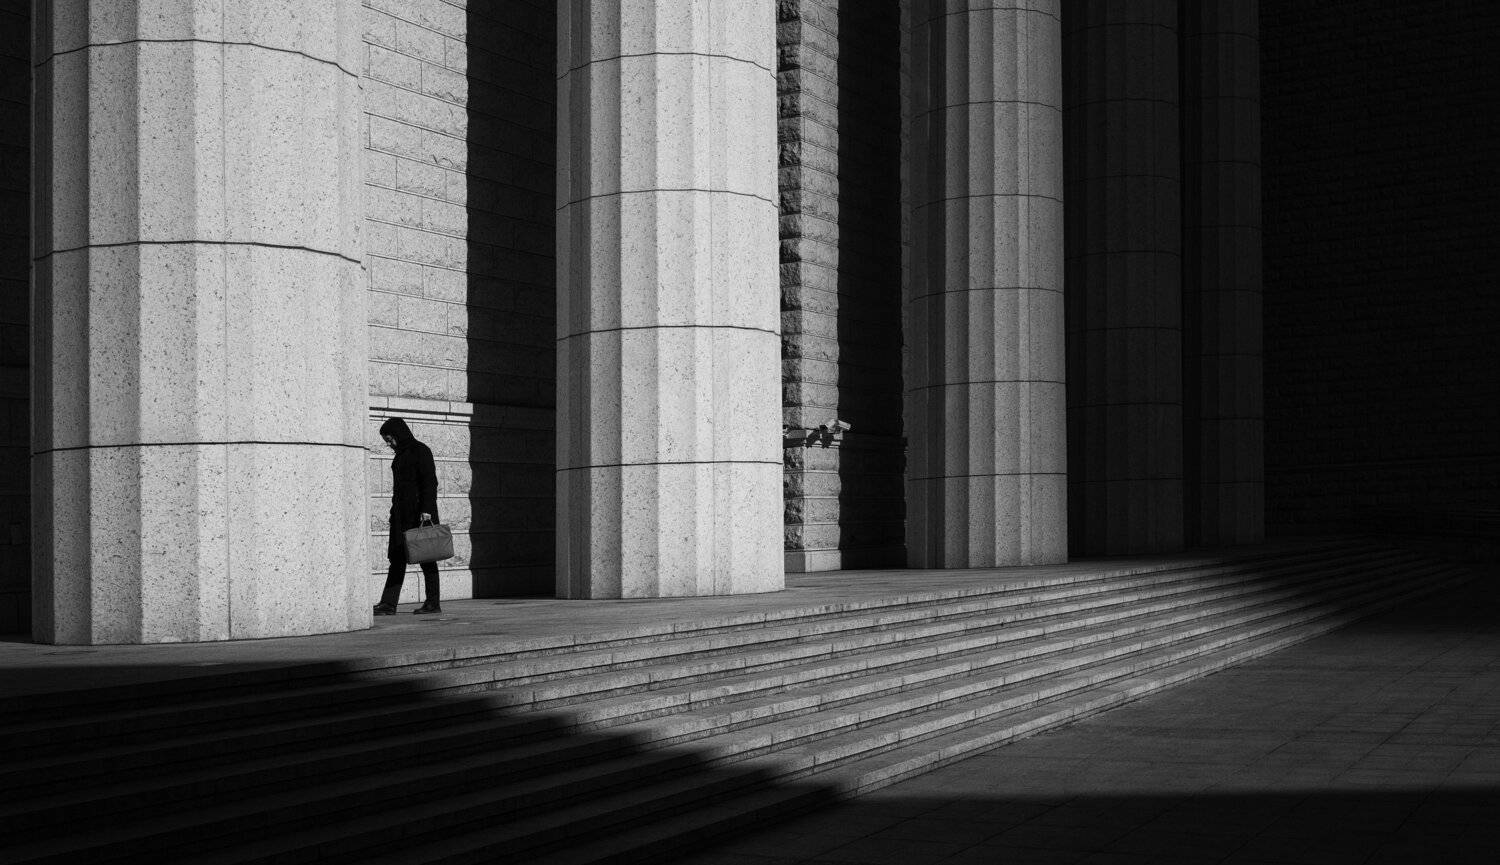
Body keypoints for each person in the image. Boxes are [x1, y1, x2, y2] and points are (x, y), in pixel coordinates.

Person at [374, 417, 442, 615]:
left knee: (427, 557)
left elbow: (430, 483)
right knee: (397, 558)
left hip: (419, 515)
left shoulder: (420, 451)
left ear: (398, 434)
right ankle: (388, 604)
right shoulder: (401, 454)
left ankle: (433, 603)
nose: (388, 444)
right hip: (400, 516)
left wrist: (427, 510)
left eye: (389, 439)